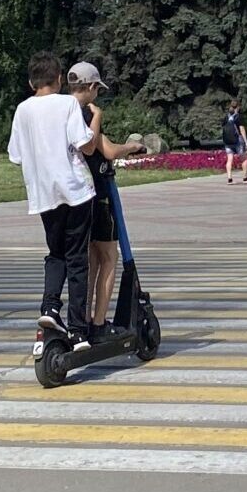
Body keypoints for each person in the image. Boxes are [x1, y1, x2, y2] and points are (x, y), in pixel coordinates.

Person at [8, 52, 96, 350]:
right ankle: (79, 330)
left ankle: (49, 309)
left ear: (31, 81)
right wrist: (95, 123)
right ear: (59, 79)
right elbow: (84, 143)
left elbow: (16, 156)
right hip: (75, 191)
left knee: (55, 253)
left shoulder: (22, 110)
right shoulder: (68, 103)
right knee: (77, 259)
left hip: (44, 195)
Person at [67, 62, 146, 341]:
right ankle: (99, 323)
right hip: (98, 195)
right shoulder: (88, 112)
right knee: (109, 257)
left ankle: (83, 318)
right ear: (90, 87)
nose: (97, 94)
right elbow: (106, 149)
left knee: (90, 259)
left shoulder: (61, 109)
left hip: (74, 199)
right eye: (97, 88)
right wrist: (133, 147)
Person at [224, 100, 247, 184]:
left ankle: (229, 179)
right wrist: (246, 142)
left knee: (229, 159)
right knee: (243, 158)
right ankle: (245, 178)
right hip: (238, 140)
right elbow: (242, 130)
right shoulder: (238, 117)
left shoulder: (226, 117)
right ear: (238, 107)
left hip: (227, 141)